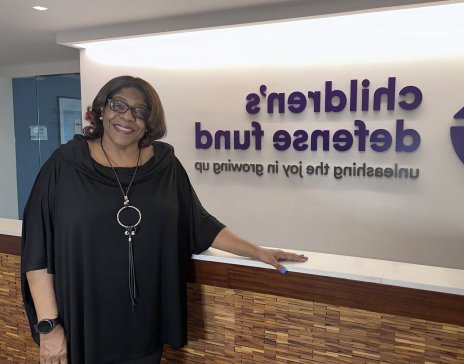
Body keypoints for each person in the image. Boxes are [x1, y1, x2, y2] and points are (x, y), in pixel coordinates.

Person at [21, 76, 308, 364]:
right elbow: (37, 254)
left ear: (149, 122)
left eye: (140, 111)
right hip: (83, 327)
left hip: (145, 327)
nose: (127, 117)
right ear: (101, 109)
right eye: (118, 105)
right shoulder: (64, 165)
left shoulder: (165, 165)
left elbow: (199, 224)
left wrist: (257, 251)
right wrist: (49, 327)